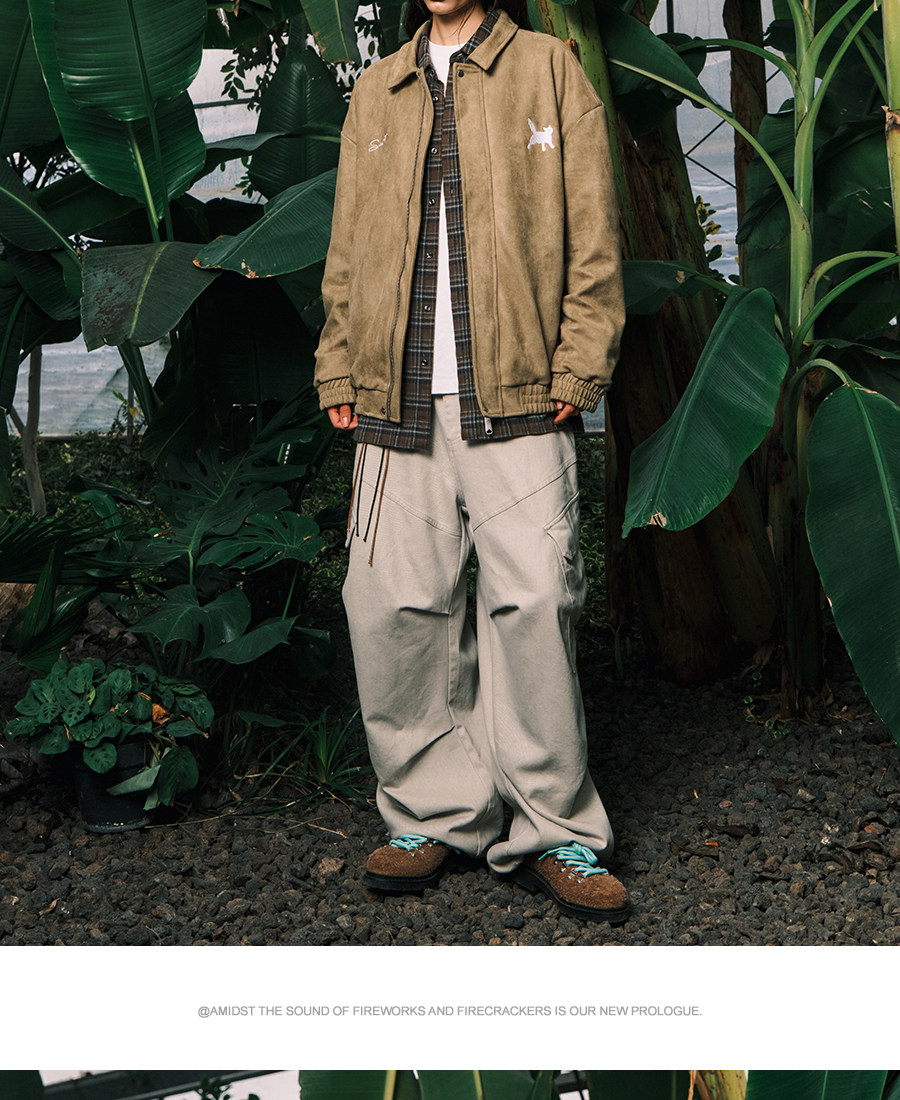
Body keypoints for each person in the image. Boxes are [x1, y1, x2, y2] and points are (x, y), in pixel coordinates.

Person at [314, 0, 627, 922]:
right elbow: (346, 247)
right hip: (395, 393)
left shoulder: (549, 69)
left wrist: (582, 360)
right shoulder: (377, 90)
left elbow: (594, 234)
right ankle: (432, 813)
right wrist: (339, 361)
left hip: (520, 388)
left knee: (534, 603)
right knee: (393, 607)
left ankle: (555, 827)